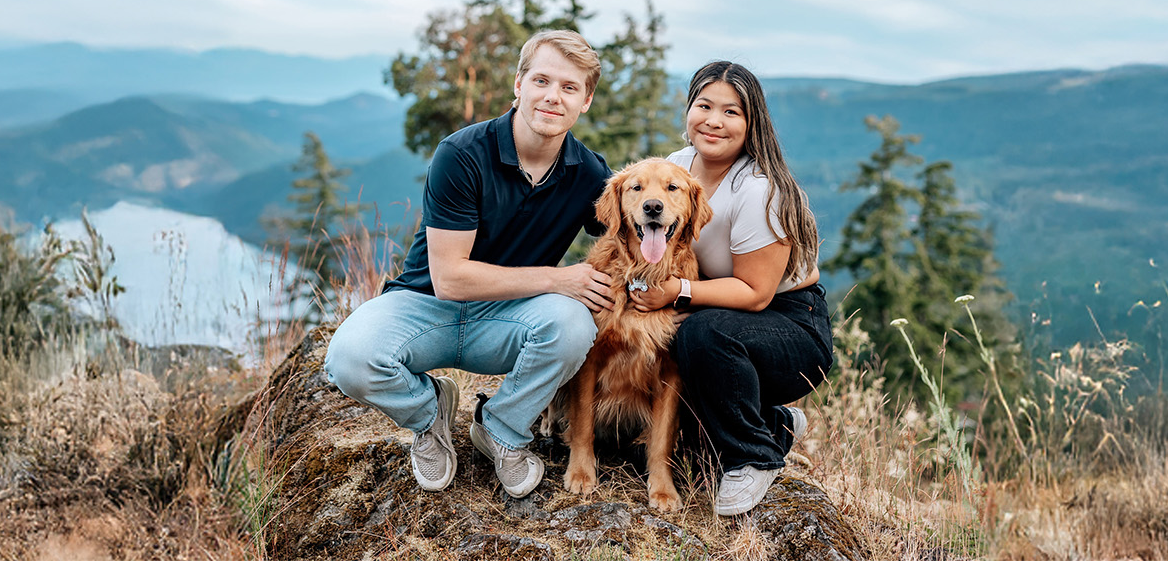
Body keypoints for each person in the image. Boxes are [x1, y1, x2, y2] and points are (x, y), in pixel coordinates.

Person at [325, 30, 615, 499]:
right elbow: (450, 279)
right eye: (541, 81)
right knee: (350, 359)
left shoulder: (591, 174)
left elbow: (634, 234)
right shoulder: (462, 154)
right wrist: (557, 278)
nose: (553, 97)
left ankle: (500, 428)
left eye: (569, 87)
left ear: (586, 101)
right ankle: (429, 412)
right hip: (426, 305)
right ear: (518, 84)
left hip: (509, 317)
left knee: (573, 325)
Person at [627, 60, 834, 517]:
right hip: (714, 309)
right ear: (688, 111)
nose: (714, 121)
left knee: (700, 334)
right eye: (704, 106)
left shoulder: (760, 189)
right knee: (673, 379)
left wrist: (677, 292)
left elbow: (756, 293)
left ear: (751, 122)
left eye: (731, 112)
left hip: (788, 324)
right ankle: (775, 422)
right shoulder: (675, 168)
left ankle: (754, 457)